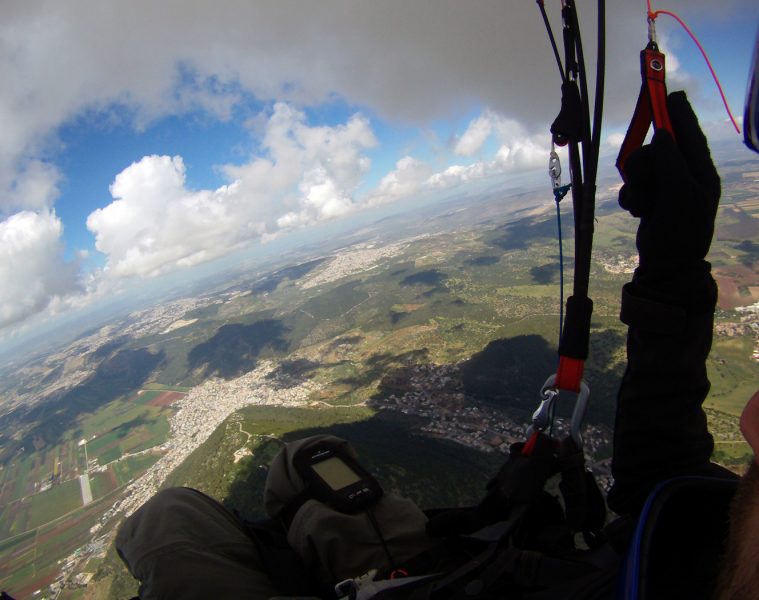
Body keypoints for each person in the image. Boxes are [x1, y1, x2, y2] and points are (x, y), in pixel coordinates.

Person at [114, 90, 756, 599]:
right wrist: (674, 262)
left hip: (449, 577)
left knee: (168, 518)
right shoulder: (705, 527)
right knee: (306, 457)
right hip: (466, 565)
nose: (750, 418)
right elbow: (664, 466)